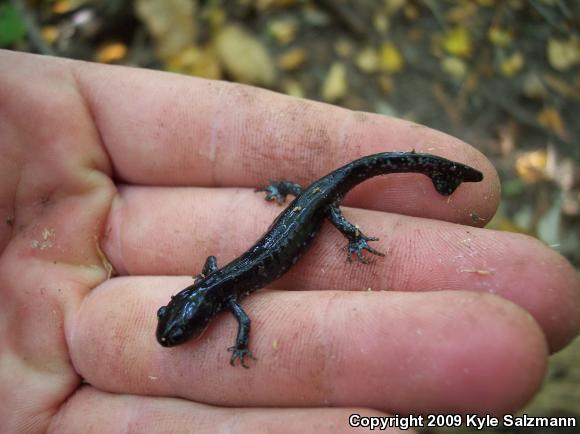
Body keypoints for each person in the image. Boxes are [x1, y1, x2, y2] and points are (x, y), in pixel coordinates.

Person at [0, 49, 578, 433]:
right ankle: (429, 177)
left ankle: (437, 177)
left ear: (194, 307)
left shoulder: (226, 296)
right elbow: (218, 281)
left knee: (337, 204)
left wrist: (346, 236)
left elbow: (242, 319)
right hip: (305, 201)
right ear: (188, 304)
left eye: (178, 324)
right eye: (179, 326)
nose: (178, 333)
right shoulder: (214, 284)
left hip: (318, 204)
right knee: (327, 196)